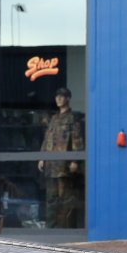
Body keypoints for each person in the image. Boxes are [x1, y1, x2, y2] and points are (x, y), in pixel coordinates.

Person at [38, 85, 85, 227]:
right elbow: (47, 139)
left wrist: (75, 160)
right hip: (51, 166)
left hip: (64, 166)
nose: (58, 99)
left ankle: (64, 228)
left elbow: (77, 140)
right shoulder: (53, 119)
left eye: (62, 96)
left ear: (68, 99)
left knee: (65, 199)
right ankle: (50, 228)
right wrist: (42, 157)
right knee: (51, 199)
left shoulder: (72, 118)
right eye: (57, 96)